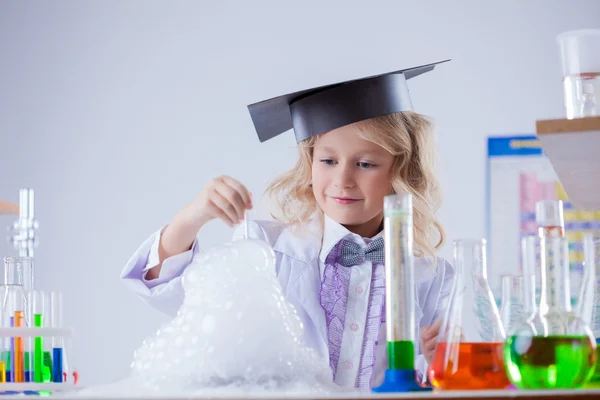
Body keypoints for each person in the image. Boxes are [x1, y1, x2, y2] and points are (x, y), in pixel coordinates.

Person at [120, 60, 454, 390]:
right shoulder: (264, 248)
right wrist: (192, 217)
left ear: (402, 172)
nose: (343, 180)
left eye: (365, 164)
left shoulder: (432, 276)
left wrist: (443, 363)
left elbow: (431, 378)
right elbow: (179, 300)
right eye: (327, 161)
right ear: (309, 163)